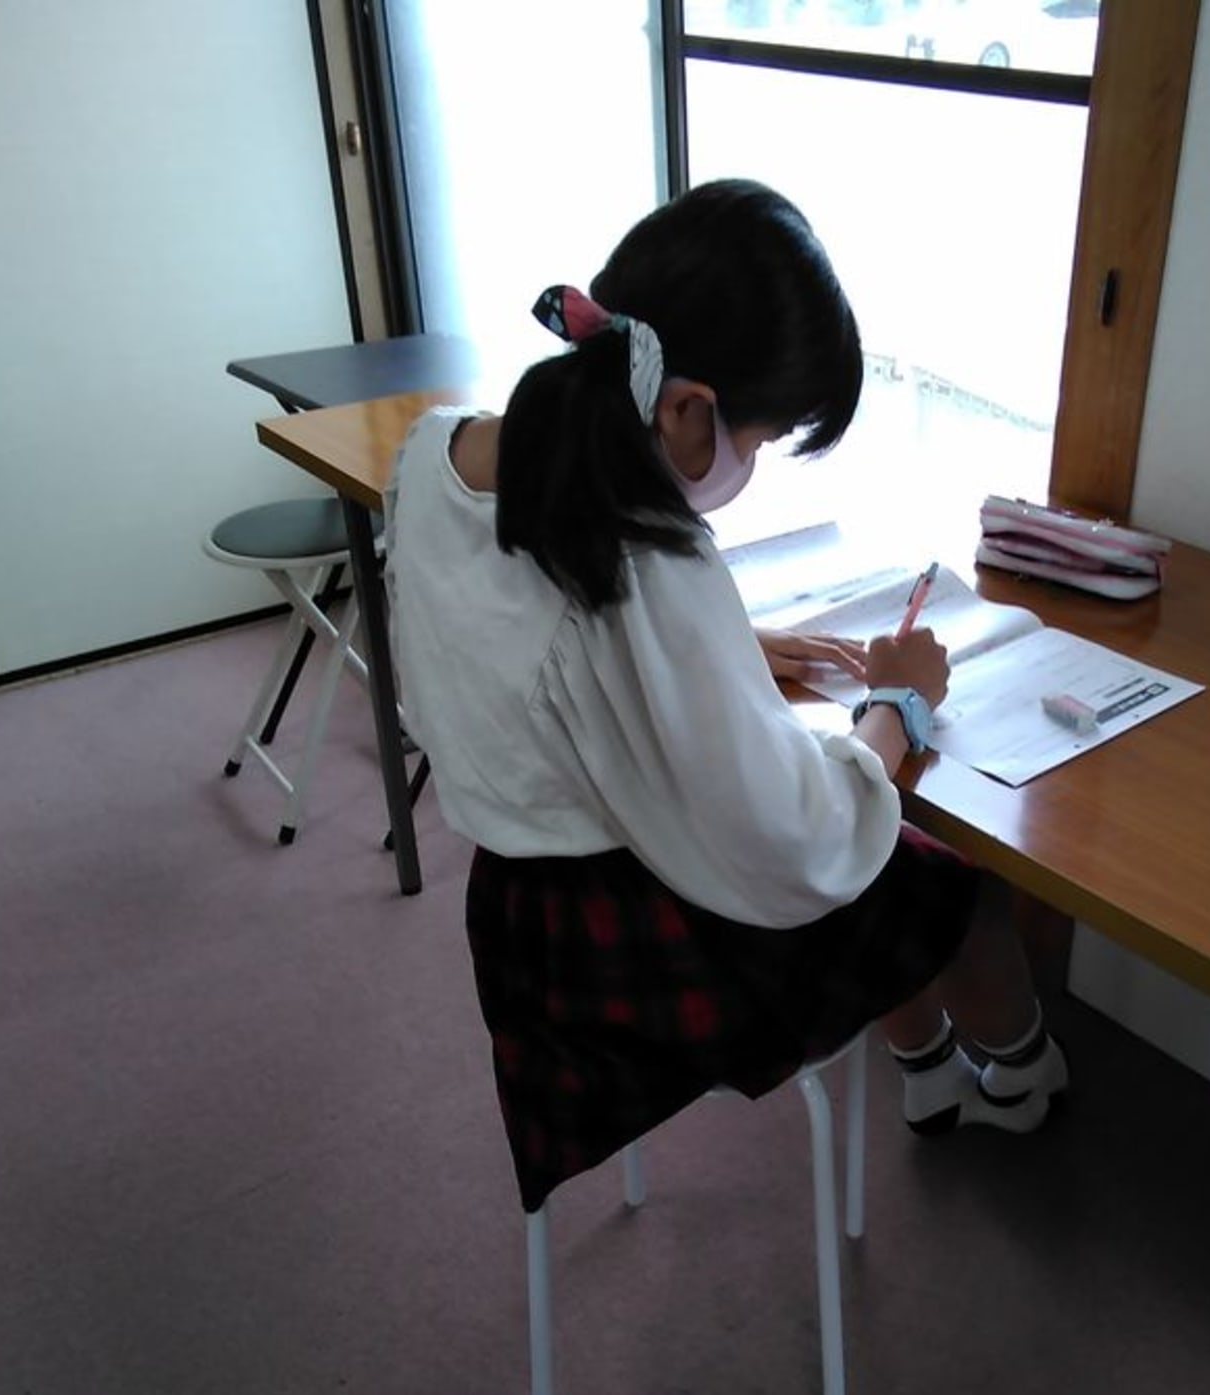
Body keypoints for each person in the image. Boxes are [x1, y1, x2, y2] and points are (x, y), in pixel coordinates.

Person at [386, 178, 1067, 1216]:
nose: (749, 464)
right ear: (686, 408)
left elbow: (518, 627)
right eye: (758, 441)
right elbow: (802, 837)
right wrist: (897, 705)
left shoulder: (439, 449)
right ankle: (1023, 1078)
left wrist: (726, 645)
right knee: (935, 883)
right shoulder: (646, 555)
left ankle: (928, 1073)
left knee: (885, 871)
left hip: (520, 931)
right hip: (634, 954)